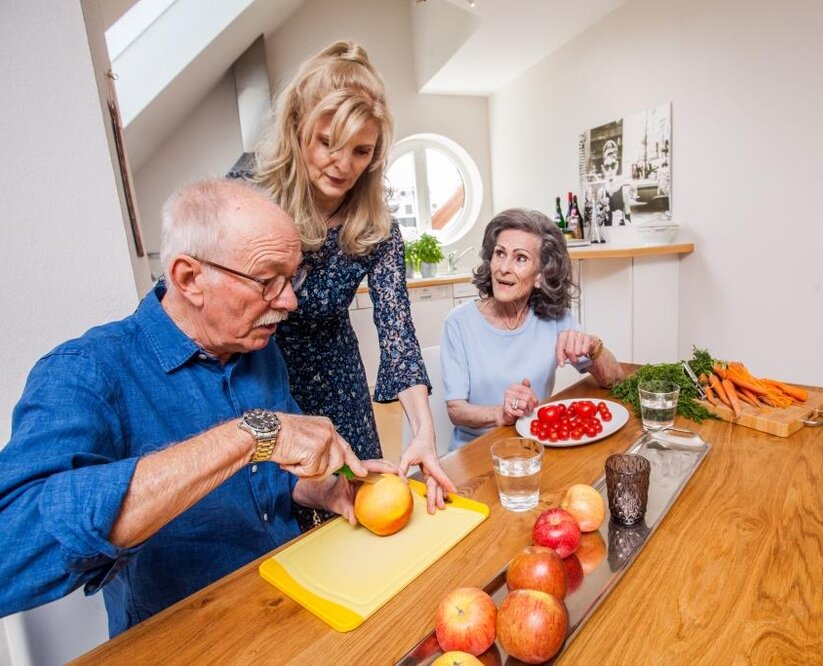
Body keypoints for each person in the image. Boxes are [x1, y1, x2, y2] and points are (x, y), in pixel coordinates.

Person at [0, 179, 396, 636]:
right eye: (268, 280)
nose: (289, 301)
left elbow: (267, 481)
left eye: (294, 278)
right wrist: (249, 435)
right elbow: (10, 547)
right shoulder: (88, 370)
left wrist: (322, 489)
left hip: (294, 603)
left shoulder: (257, 348)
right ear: (190, 278)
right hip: (190, 640)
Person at [242, 41, 454, 526]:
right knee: (277, 520)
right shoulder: (251, 198)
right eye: (327, 143)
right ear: (298, 128)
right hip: (264, 383)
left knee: (358, 516)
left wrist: (423, 431)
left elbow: (398, 336)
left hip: (340, 386)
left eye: (362, 150)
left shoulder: (376, 226)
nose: (344, 164)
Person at [440, 208, 626, 449]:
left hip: (536, 446)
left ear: (540, 276)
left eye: (520, 258)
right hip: (476, 451)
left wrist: (593, 346)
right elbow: (456, 410)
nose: (504, 268)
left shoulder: (556, 319)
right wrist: (500, 414)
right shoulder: (458, 322)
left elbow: (616, 381)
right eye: (500, 253)